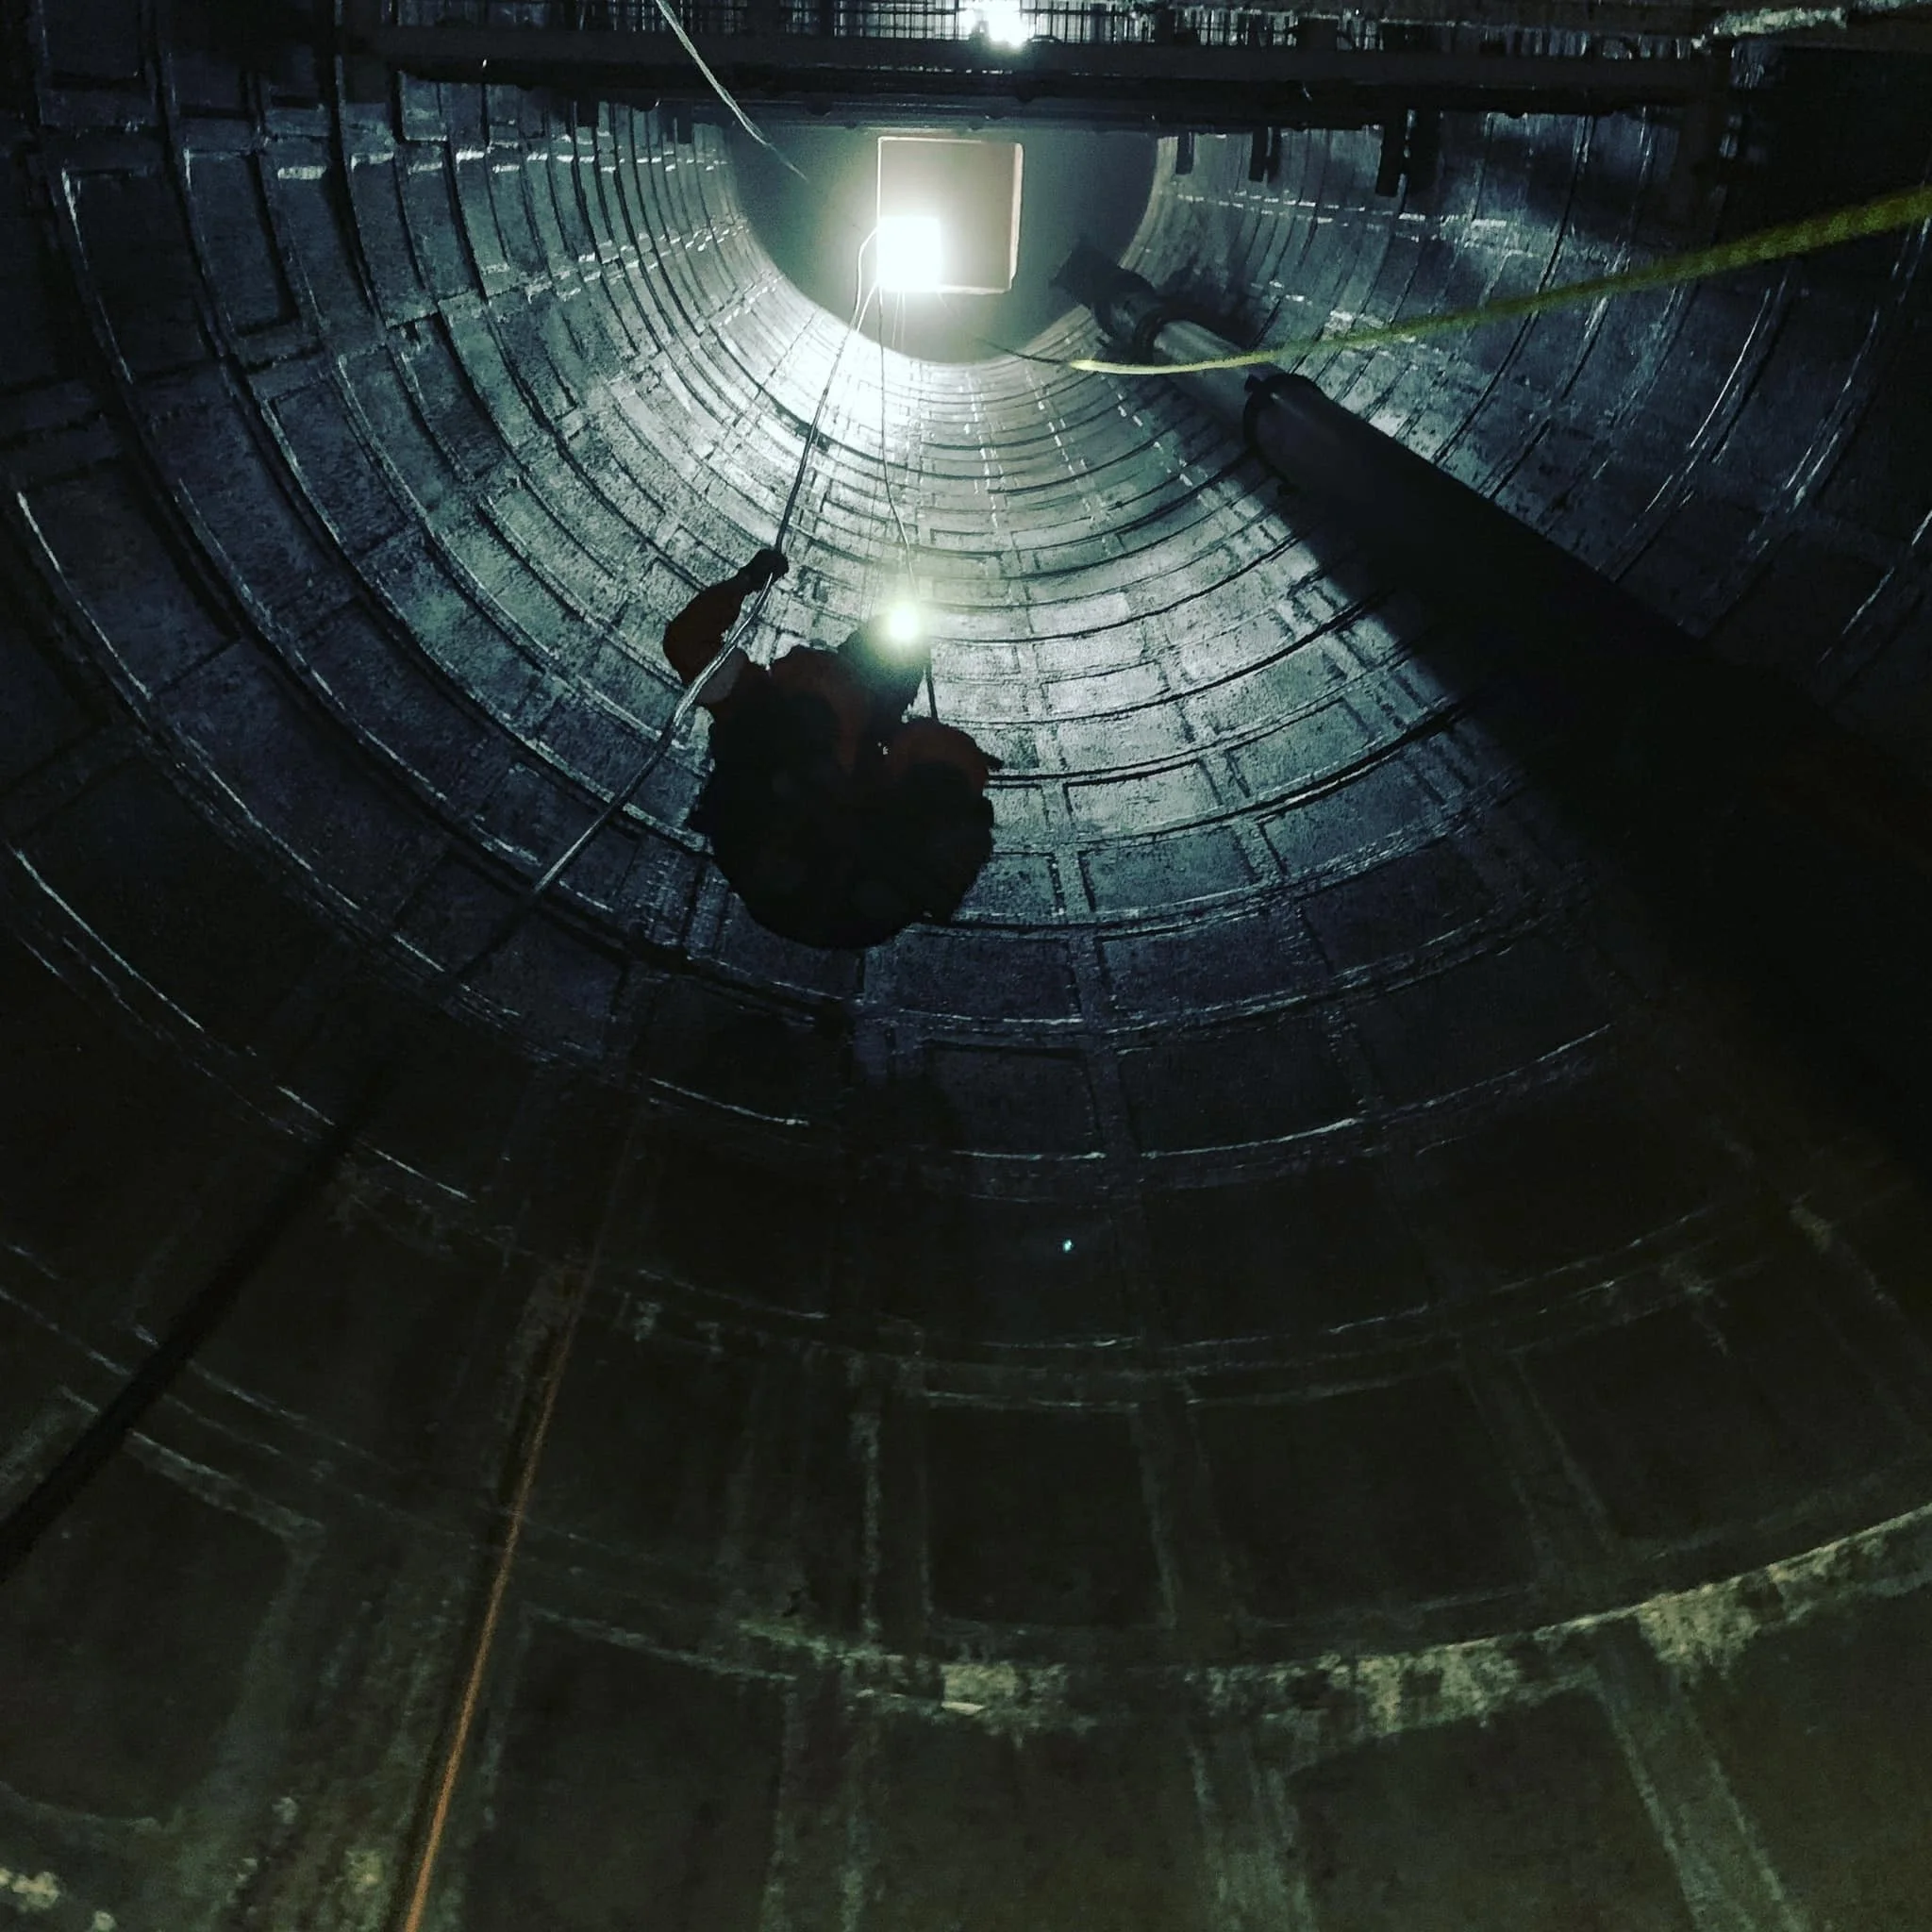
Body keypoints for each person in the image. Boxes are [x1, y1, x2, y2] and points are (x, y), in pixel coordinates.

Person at [660, 552, 1000, 948]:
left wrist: (746, 580)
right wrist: (747, 581)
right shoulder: (774, 707)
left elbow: (688, 644)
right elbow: (689, 645)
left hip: (806, 879)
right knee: (943, 757)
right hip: (790, 866)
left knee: (944, 759)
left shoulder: (868, 757)